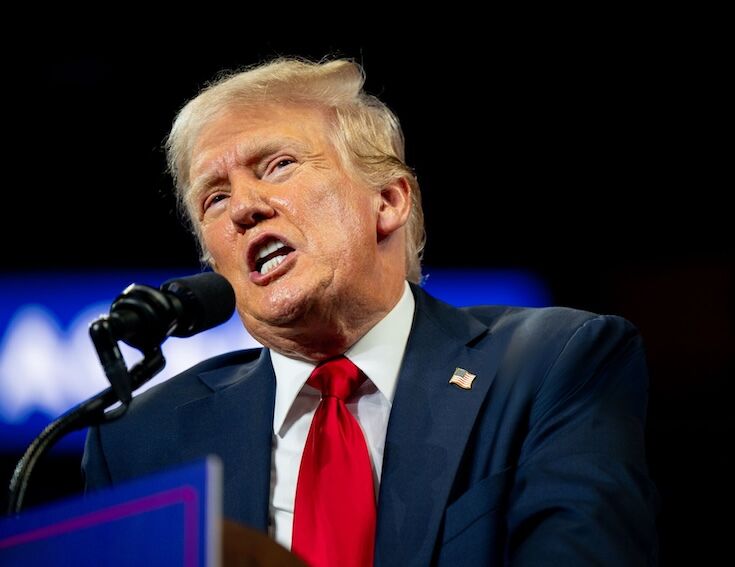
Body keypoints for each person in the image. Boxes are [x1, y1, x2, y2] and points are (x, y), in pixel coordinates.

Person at [82, 57, 658, 566]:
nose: (244, 209)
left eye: (277, 165)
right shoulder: (139, 442)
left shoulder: (550, 364)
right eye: (214, 197)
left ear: (388, 201)